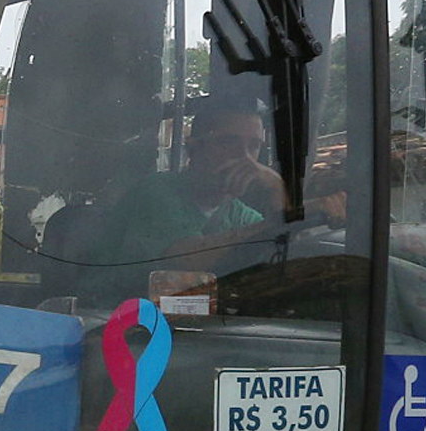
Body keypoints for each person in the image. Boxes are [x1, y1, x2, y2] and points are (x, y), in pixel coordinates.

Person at [86, 95, 285, 299]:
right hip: (110, 324)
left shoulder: (243, 216)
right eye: (228, 142)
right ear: (193, 148)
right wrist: (278, 224)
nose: (245, 157)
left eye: (253, 146)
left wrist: (280, 191)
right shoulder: (156, 192)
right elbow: (185, 259)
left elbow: (282, 260)